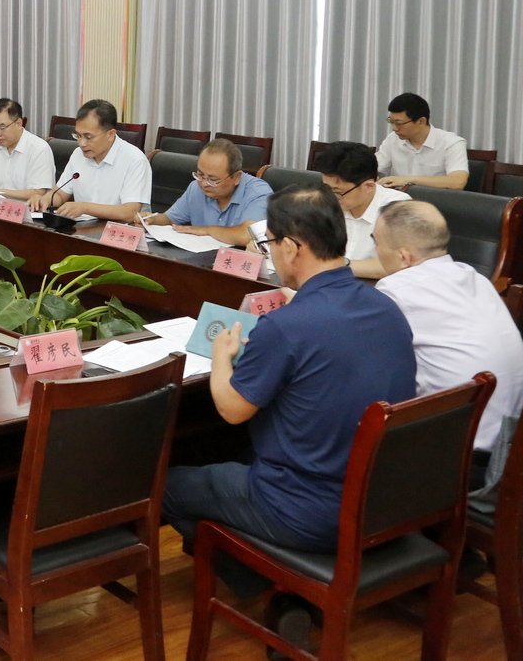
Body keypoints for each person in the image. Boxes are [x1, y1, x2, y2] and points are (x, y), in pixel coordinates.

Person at [161, 185, 416, 645]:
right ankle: (286, 592)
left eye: (270, 243)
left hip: (307, 509)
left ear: (293, 247)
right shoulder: (386, 307)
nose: (271, 253)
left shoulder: (287, 326)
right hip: (386, 498)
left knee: (167, 486)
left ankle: (277, 589)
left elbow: (231, 409)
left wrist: (222, 355)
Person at [373, 200, 523, 460]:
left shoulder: (398, 289)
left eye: (376, 243)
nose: (375, 251)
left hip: (458, 452)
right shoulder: (475, 278)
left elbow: (369, 361)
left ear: (404, 256)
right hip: (510, 441)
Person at [32, 99, 151, 222]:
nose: (82, 143)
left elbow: (130, 212)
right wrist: (45, 199)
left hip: (117, 230)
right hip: (83, 228)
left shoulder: (135, 160)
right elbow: (60, 194)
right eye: (78, 135)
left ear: (110, 134)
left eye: (88, 137)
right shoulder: (78, 154)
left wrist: (84, 208)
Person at [145, 138, 273, 246]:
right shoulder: (196, 187)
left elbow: (248, 236)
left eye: (213, 179)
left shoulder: (258, 193)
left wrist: (207, 230)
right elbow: (170, 219)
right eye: (200, 174)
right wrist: (150, 220)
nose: (204, 183)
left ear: (236, 177)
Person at [315, 140, 409, 279]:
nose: (332, 197)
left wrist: (340, 265)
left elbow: (400, 264)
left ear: (368, 186)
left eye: (338, 191)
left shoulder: (397, 208)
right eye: (327, 188)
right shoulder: (326, 201)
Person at [376, 93, 469, 190]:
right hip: (399, 198)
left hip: (434, 198)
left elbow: (458, 182)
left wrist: (408, 180)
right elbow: (375, 167)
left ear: (421, 122)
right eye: (391, 122)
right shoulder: (393, 139)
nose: (394, 128)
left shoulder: (452, 143)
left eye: (399, 123)